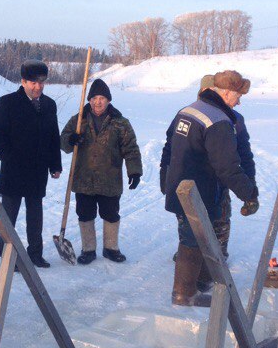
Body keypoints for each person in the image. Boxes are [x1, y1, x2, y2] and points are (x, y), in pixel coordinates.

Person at [160, 70, 259, 307]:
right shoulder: (219, 122)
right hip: (199, 191)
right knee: (193, 237)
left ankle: (199, 283)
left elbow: (168, 148)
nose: (239, 101)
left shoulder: (188, 110)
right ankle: (185, 294)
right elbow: (227, 167)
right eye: (238, 95)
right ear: (226, 92)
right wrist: (249, 195)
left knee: (196, 235)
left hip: (181, 187)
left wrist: (166, 179)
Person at [59, 78, 142, 265]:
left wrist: (134, 171)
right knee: (85, 213)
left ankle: (111, 248)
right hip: (83, 178)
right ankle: (88, 249)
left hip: (109, 178)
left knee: (111, 213)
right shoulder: (78, 120)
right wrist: (71, 139)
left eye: (102, 98)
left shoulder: (120, 123)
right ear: (89, 100)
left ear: (108, 100)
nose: (98, 102)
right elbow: (62, 141)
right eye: (94, 97)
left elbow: (131, 149)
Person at [0, 59, 62, 268]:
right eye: (32, 82)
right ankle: (7, 258)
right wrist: (9, 155)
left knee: (35, 215)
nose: (37, 86)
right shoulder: (8, 102)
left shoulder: (49, 105)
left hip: (38, 170)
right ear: (23, 81)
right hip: (14, 169)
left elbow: (53, 137)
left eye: (41, 82)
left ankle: (35, 254)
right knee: (8, 216)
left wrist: (55, 165)